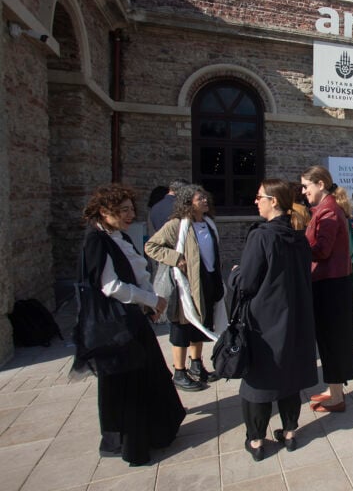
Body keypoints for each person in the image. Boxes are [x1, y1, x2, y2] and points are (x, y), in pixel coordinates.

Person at [72, 184, 185, 466]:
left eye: (131, 209)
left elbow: (137, 271)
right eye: (122, 210)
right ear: (103, 211)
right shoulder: (97, 240)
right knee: (129, 385)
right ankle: (133, 443)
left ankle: (157, 432)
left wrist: (151, 303)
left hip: (132, 319)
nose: (129, 214)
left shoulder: (117, 236)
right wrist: (150, 298)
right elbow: (111, 286)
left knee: (148, 377)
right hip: (116, 326)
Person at [229, 179, 317, 461]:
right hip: (297, 317)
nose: (256, 201)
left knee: (259, 380)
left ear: (274, 201)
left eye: (259, 197)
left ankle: (256, 440)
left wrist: (234, 274)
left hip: (264, 320)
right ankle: (289, 432)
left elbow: (247, 283)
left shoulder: (262, 236)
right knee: (289, 375)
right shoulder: (299, 237)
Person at [145, 184, 226, 391]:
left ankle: (197, 365)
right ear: (189, 203)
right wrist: (175, 258)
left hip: (205, 281)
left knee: (200, 322)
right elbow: (151, 246)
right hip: (184, 285)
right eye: (200, 199)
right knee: (181, 328)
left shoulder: (208, 224)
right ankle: (179, 372)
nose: (205, 201)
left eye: (205, 197)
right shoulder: (177, 225)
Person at [301, 165, 353, 413]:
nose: (304, 192)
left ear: (320, 184)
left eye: (306, 186)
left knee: (333, 340)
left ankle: (336, 397)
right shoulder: (325, 208)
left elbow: (322, 250)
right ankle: (334, 389)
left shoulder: (329, 211)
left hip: (331, 284)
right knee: (330, 339)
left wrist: (296, 245)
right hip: (330, 281)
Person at [335, 187, 353, 299]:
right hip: (350, 247)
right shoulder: (344, 211)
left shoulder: (343, 211)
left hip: (351, 246)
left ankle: (350, 291)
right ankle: (350, 292)